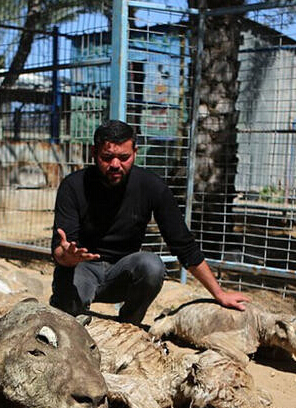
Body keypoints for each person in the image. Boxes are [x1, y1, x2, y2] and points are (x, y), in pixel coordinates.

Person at [50, 120, 250, 324]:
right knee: (65, 317)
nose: (115, 165)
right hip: (82, 268)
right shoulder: (73, 186)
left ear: (135, 152)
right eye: (107, 157)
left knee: (152, 266)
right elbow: (60, 248)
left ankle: (130, 325)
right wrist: (68, 257)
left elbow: (184, 245)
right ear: (94, 152)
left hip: (123, 272)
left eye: (124, 157)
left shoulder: (152, 186)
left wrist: (219, 293)